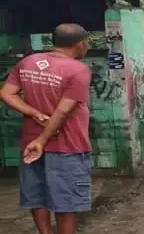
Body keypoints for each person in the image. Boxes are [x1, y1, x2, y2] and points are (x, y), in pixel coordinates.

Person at [0, 24, 92, 234]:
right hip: (67, 145)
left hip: (30, 143)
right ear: (80, 44)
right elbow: (62, 111)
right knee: (66, 200)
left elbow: (6, 93)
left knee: (36, 195)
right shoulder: (78, 70)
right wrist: (42, 140)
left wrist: (33, 113)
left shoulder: (28, 62)